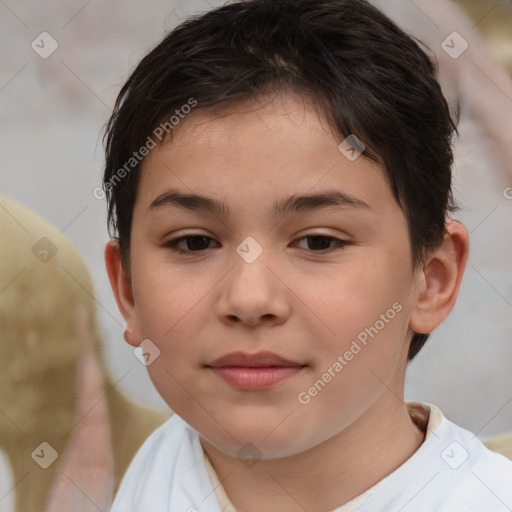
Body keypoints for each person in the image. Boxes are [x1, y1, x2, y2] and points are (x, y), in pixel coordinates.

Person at [102, 0, 512, 510]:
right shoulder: (160, 468)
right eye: (194, 242)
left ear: (431, 279)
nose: (249, 299)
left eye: (319, 242)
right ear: (128, 289)